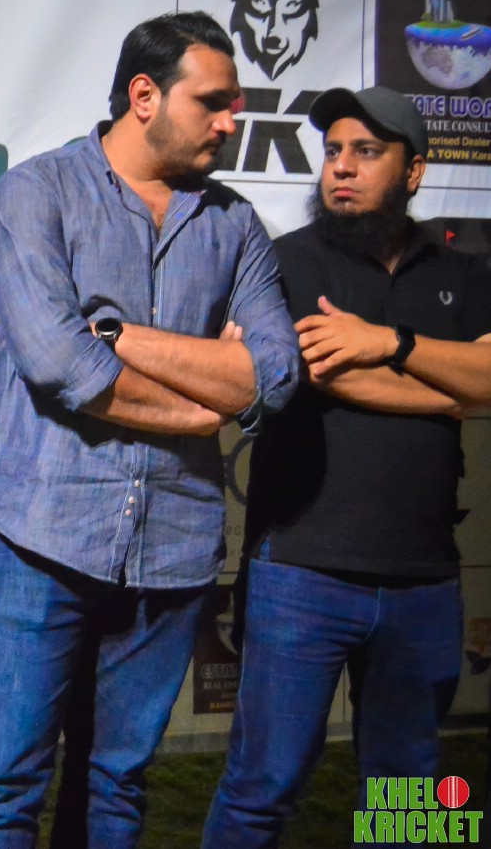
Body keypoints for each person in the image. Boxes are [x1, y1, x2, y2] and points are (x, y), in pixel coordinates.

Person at [0, 11, 300, 848]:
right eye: (212, 102)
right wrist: (207, 402)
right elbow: (58, 364)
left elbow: (274, 376)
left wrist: (118, 336)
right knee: (0, 790)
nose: (230, 123)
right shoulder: (37, 191)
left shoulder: (235, 224)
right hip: (40, 540)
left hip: (172, 551)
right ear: (144, 96)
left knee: (115, 788)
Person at [203, 87, 491, 846]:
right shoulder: (287, 261)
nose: (341, 167)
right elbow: (315, 373)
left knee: (407, 798)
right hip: (301, 570)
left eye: (366, 152)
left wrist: (387, 343)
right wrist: (447, 390)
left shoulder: (462, 271)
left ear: (413, 171)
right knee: (261, 788)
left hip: (424, 579)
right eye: (333, 151)